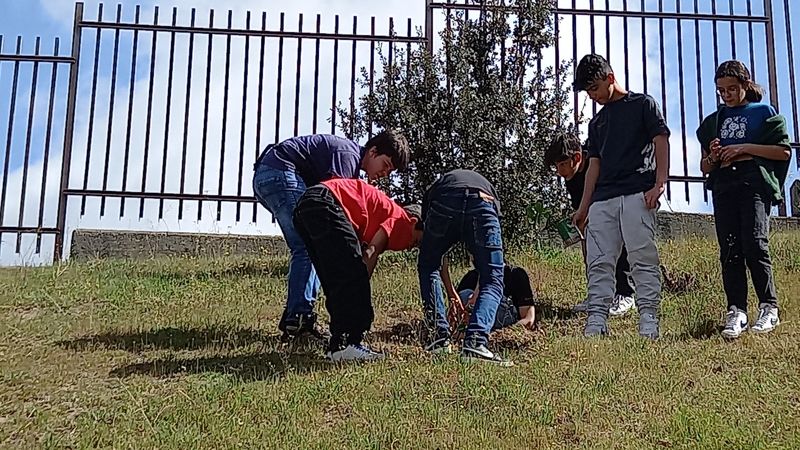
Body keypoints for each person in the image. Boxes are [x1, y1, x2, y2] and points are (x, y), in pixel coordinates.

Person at [252, 131, 410, 340]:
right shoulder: (347, 157)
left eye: (391, 171)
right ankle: (299, 319)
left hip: (270, 174)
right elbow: (334, 207)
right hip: (280, 172)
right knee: (309, 246)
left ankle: (295, 316)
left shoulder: (350, 160)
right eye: (386, 165)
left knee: (312, 244)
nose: (385, 173)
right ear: (373, 152)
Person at [571, 54, 670, 339]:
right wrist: (583, 207)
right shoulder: (597, 123)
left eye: (595, 88)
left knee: (642, 255)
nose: (592, 96)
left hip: (638, 192)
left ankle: (648, 317)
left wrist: (660, 183)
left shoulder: (643, 104)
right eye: (588, 91)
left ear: (610, 78)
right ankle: (596, 319)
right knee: (599, 260)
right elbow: (593, 165)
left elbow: (661, 139)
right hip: (603, 199)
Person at [696, 60, 792, 339]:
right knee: (729, 248)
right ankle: (736, 309)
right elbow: (704, 166)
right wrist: (714, 156)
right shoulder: (714, 121)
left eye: (731, 89)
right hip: (724, 184)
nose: (726, 95)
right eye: (721, 91)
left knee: (754, 242)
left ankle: (768, 306)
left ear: (745, 85)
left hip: (752, 180)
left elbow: (783, 151)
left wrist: (744, 148)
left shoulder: (763, 112)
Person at [292, 177, 423, 362]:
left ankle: (338, 346)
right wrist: (359, 288)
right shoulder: (400, 219)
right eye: (418, 240)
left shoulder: (385, 213)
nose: (413, 247)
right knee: (351, 277)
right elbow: (372, 251)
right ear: (414, 221)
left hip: (307, 206)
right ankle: (348, 343)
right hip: (327, 202)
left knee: (335, 280)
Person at [416, 169, 512, 366]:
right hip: (484, 201)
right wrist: (457, 293)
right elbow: (485, 266)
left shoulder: (439, 186)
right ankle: (476, 343)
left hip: (443, 198)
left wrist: (453, 292)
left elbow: (436, 260)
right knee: (493, 278)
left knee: (428, 266)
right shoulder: (488, 190)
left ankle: (439, 339)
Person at [545, 133, 635, 316]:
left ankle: (625, 294)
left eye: (562, 164)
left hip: (620, 204)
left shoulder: (601, 162)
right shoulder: (571, 177)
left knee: (617, 242)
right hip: (595, 216)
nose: (560, 171)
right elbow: (580, 206)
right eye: (556, 166)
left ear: (577, 157)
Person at [443, 260, 536, 335]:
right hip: (469, 333)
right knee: (464, 295)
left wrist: (500, 334)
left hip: (499, 332)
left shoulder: (515, 275)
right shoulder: (470, 277)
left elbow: (528, 319)